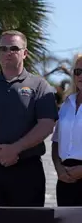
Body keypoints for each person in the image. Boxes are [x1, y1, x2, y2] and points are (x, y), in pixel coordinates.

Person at [0, 30, 58, 208]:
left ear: (25, 53)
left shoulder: (40, 86)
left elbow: (47, 125)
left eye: (14, 48)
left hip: (27, 170)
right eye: (3, 48)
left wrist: (15, 149)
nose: (8, 52)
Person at [51, 53, 82, 206]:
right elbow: (56, 142)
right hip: (65, 179)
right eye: (78, 72)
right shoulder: (65, 105)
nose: (81, 76)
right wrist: (59, 169)